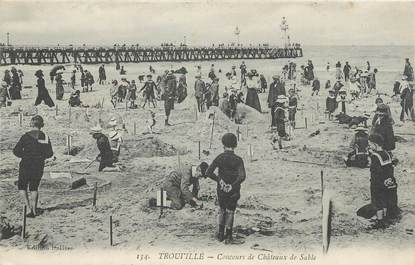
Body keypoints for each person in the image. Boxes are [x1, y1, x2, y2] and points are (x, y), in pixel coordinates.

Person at [205, 133, 246, 243]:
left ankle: (220, 234)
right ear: (235, 145)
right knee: (230, 211)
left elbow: (208, 172)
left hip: (221, 189)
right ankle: (228, 236)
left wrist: (220, 181)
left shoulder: (219, 157)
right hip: (234, 190)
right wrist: (232, 185)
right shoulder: (238, 160)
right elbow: (242, 176)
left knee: (222, 209)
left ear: (223, 144)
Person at [13, 115, 53, 217]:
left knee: (22, 186)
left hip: (26, 163)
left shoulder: (26, 136)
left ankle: (28, 209)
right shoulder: (45, 137)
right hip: (39, 164)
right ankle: (34, 210)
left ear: (31, 123)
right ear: (42, 125)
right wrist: (40, 157)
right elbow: (50, 153)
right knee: (34, 187)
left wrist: (25, 156)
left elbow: (16, 151)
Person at [367, 133, 398, 229]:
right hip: (388, 181)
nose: (369, 146)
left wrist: (373, 181)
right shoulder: (387, 153)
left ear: (375, 144)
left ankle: (379, 221)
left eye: (370, 144)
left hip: (378, 182)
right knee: (385, 199)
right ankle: (384, 218)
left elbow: (375, 171)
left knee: (377, 201)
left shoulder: (375, 156)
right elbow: (390, 167)